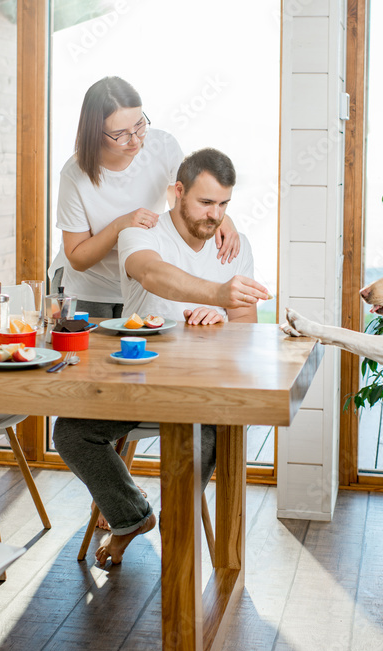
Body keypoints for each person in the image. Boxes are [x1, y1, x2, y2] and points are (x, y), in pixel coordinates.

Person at [52, 148, 269, 565]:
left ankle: (180, 520)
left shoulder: (232, 246)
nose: (214, 215)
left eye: (224, 205)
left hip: (200, 390)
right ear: (177, 192)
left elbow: (247, 328)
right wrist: (218, 294)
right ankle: (130, 516)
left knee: (211, 427)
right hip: (140, 380)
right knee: (71, 433)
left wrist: (223, 316)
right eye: (205, 202)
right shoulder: (143, 231)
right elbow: (150, 273)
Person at [51, 76, 241, 318]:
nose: (136, 139)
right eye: (121, 134)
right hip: (88, 288)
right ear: (96, 132)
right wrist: (120, 225)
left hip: (140, 281)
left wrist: (223, 220)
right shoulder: (75, 175)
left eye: (140, 125)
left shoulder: (162, 146)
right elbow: (77, 258)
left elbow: (184, 200)